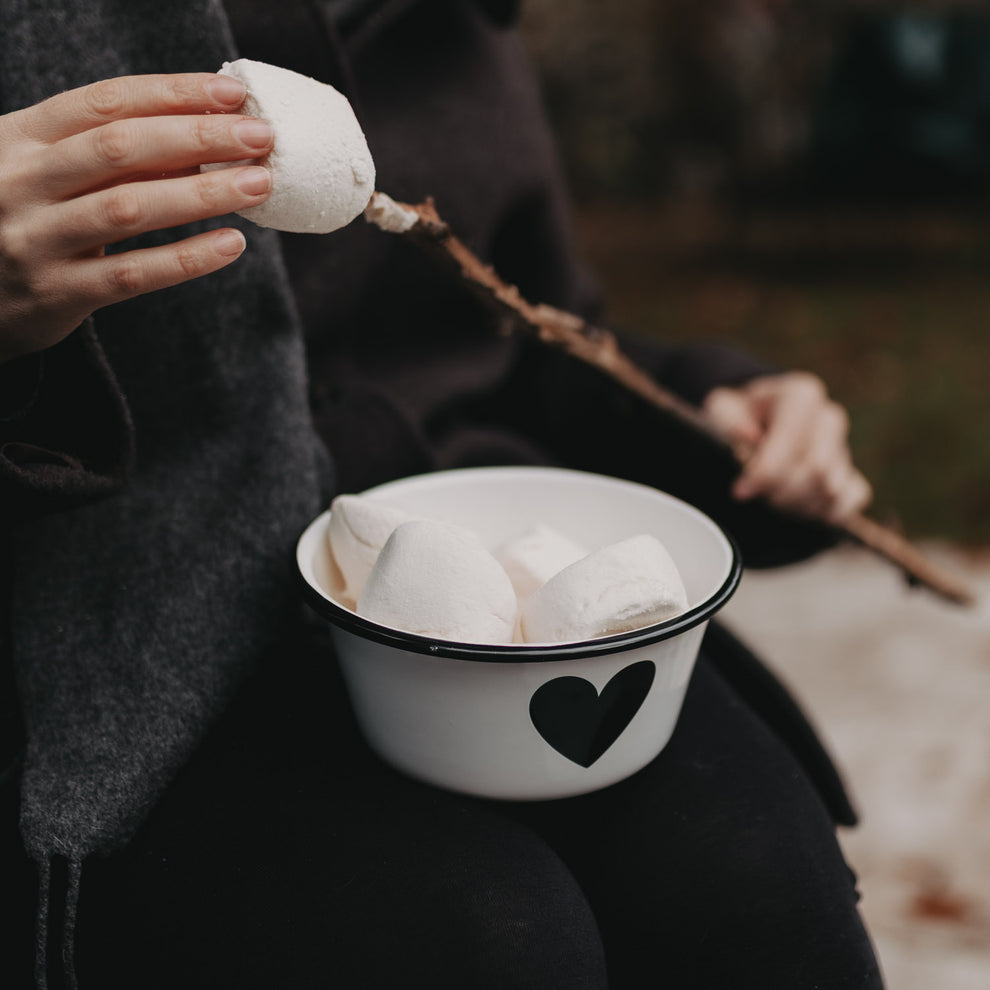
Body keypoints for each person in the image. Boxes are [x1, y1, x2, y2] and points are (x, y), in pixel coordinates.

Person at [1, 0, 882, 987]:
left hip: (489, 604)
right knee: (494, 938)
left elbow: (519, 344)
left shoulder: (451, 21)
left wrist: (714, 418)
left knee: (759, 880)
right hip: (136, 643)